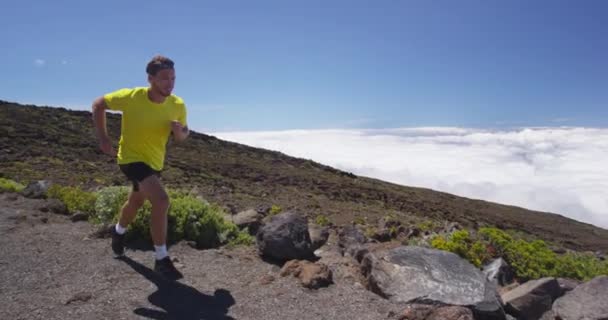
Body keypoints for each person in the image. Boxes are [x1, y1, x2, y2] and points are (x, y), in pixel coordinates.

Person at [92, 55, 189, 280]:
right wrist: (104, 138)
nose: (170, 83)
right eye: (165, 78)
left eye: (173, 78)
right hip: (130, 158)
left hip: (154, 162)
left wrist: (178, 132)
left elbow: (184, 136)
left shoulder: (178, 104)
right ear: (151, 78)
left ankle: (118, 233)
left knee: (136, 201)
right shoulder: (132, 97)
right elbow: (98, 104)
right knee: (162, 200)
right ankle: (161, 259)